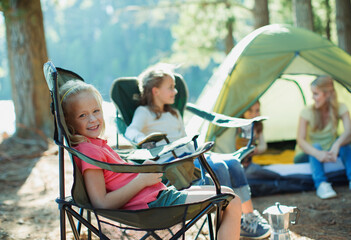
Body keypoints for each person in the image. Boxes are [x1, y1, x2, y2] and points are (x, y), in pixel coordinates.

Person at [59, 79, 242, 240]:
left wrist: (142, 171)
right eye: (82, 115)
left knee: (227, 195)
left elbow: (117, 179)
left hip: (155, 198)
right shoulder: (89, 151)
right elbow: (101, 203)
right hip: (154, 204)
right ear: (69, 123)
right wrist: (141, 180)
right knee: (230, 200)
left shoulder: (95, 145)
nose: (92, 119)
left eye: (96, 111)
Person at [125, 63, 271, 239]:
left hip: (190, 156)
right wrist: (144, 140)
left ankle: (248, 218)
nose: (175, 91)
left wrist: (198, 153)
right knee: (219, 169)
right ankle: (225, 226)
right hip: (174, 164)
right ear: (155, 91)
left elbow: (185, 139)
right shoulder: (144, 112)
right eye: (170, 88)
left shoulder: (174, 113)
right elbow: (130, 131)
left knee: (232, 163)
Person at [295, 75, 351, 199]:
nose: (312, 97)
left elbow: (349, 131)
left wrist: (337, 144)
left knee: (345, 144)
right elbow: (301, 141)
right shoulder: (307, 111)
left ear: (327, 94)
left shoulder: (340, 107)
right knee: (315, 145)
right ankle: (321, 184)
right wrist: (317, 153)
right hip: (307, 154)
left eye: (316, 94)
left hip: (329, 152)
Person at [235, 100, 267, 168]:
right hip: (237, 162)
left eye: (257, 110)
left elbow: (263, 146)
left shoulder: (257, 125)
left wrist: (256, 150)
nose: (254, 114)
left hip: (249, 162)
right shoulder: (236, 126)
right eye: (250, 110)